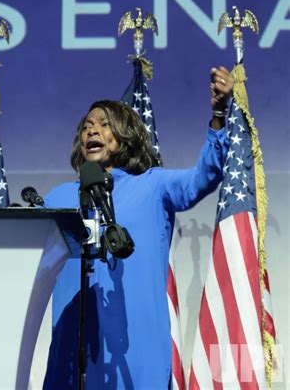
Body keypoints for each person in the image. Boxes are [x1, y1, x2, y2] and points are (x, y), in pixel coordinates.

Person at [42, 67, 234, 389]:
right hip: (72, 355)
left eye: (104, 125)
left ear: (122, 138)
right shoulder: (58, 199)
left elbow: (204, 177)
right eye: (87, 126)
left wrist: (217, 114)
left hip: (135, 352)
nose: (92, 131)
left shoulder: (152, 187)